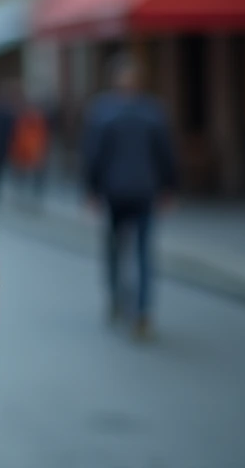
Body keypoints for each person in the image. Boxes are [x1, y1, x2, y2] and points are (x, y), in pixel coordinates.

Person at [82, 54, 177, 340]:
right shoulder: (152, 111)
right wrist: (169, 186)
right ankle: (139, 309)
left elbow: (94, 155)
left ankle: (124, 302)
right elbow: (166, 155)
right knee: (138, 251)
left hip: (120, 190)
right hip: (139, 190)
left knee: (121, 249)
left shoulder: (103, 111)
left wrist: (91, 189)